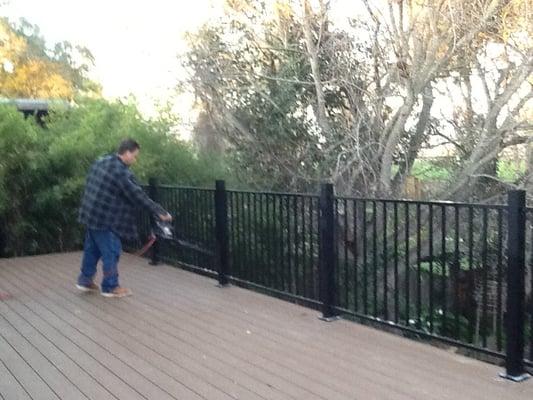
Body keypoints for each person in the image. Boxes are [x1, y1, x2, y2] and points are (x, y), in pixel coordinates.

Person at [76, 138, 171, 297]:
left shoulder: (101, 161)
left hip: (90, 215)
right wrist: (159, 211)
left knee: (91, 250)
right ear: (126, 153)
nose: (135, 159)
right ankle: (110, 287)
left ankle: (85, 281)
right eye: (134, 156)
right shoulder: (121, 172)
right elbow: (137, 195)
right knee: (111, 252)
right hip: (107, 220)